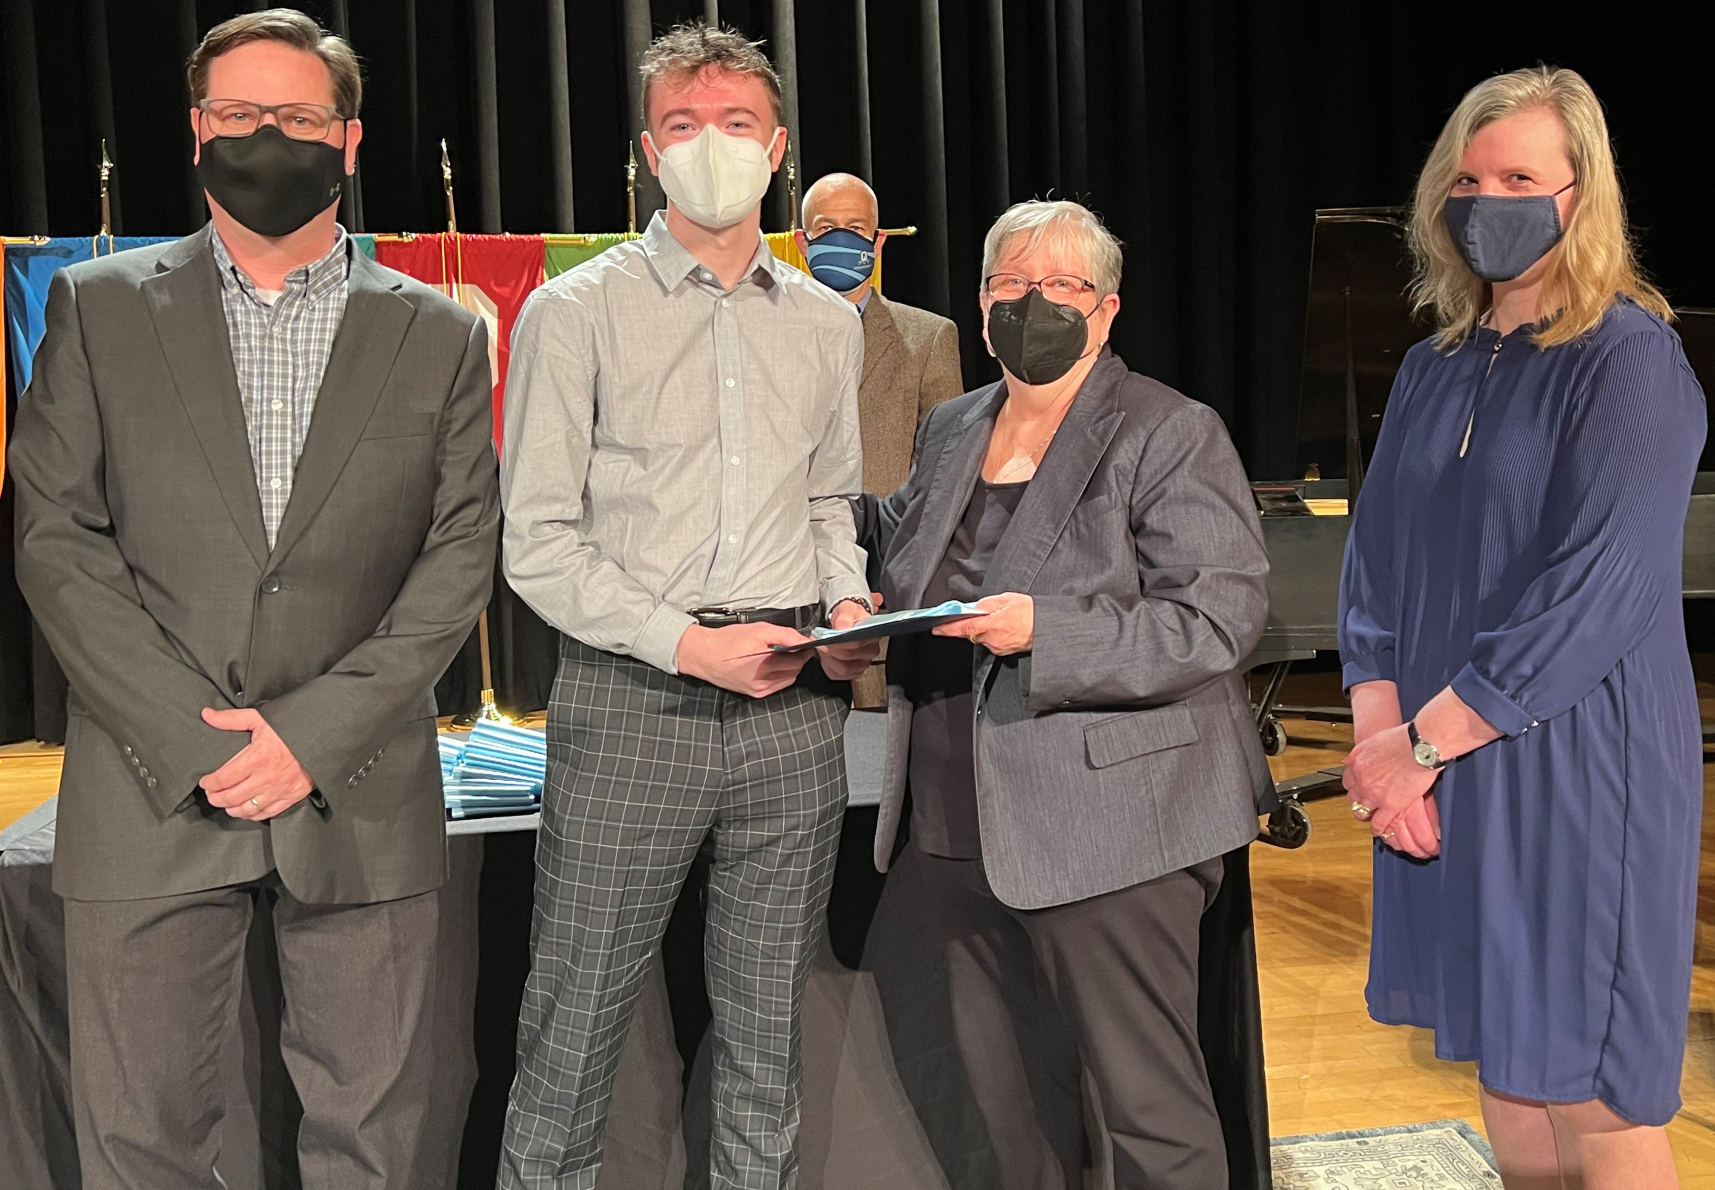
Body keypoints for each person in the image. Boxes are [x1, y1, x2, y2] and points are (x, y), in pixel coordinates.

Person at [7, 9, 499, 1187]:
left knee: (371, 1145)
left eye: (296, 116)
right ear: (193, 131)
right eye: (237, 114)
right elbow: (57, 537)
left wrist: (311, 736)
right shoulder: (96, 304)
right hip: (147, 784)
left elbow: (458, 555)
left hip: (362, 791)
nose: (264, 137)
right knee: (139, 1144)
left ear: (349, 137)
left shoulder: (439, 332)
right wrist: (195, 737)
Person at [496, 22, 878, 1189]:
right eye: (680, 124)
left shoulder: (824, 321)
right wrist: (687, 646)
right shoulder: (575, 311)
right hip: (632, 704)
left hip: (791, 715)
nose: (707, 144)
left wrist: (849, 595)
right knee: (572, 1026)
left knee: (768, 1028)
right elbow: (536, 541)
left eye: (733, 124)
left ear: (775, 150)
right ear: (645, 151)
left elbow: (827, 498)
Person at [855, 199, 1274, 1189]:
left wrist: (1047, 630)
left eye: (1059, 285)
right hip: (955, 820)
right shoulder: (954, 424)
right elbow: (900, 543)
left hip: (1110, 831)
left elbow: (1214, 620)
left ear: (1107, 307)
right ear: (980, 299)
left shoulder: (1168, 430)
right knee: (1006, 1110)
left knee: (1148, 1112)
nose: (1030, 302)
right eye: (1008, 284)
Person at [1339, 66, 1705, 1189]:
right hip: (1441, 764)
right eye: (1466, 176)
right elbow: (1374, 565)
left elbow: (1593, 590)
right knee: (1506, 1059)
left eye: (1517, 176)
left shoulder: (1628, 359)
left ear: (1577, 193)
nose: (1484, 196)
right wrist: (1376, 735)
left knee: (1588, 1088)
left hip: (1578, 766)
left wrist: (1420, 744)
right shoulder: (1429, 364)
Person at [796, 172, 963, 708]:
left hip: (880, 596)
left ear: (879, 241)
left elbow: (944, 475)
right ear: (802, 241)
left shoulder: (928, 338)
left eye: (856, 228)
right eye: (826, 228)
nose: (842, 238)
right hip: (780, 592)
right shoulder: (760, 336)